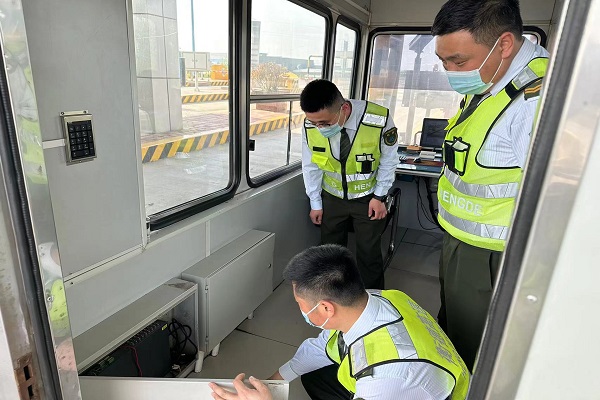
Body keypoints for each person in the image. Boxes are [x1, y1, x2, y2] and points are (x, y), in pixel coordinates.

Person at [433, 0, 550, 370]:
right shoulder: (493, 78)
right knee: (451, 330)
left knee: (471, 348)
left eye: (458, 61)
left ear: (504, 45)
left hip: (490, 255)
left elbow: (554, 204)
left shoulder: (536, 103)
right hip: (462, 240)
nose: (450, 72)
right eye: (443, 62)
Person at [254, 245, 467, 400]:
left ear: (326, 308)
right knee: (314, 374)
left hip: (406, 387)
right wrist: (271, 384)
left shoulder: (389, 376)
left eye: (300, 304)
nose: (300, 310)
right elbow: (320, 348)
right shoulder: (376, 300)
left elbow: (387, 379)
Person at [300, 80, 399, 289]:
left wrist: (380, 196)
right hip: (332, 198)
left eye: (325, 123)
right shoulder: (311, 124)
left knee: (369, 252)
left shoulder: (378, 119)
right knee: (329, 252)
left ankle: (372, 297)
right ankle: (333, 293)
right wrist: (315, 203)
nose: (319, 128)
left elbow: (389, 160)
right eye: (314, 123)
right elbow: (311, 165)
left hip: (368, 198)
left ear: (344, 108)